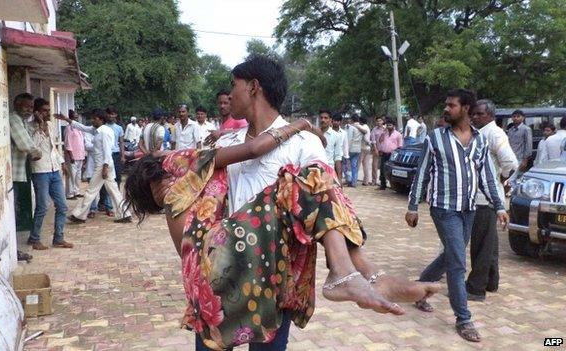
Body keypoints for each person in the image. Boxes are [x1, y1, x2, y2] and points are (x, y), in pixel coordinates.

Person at [125, 55, 439, 351]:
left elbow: (328, 205)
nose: (228, 95)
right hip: (228, 264)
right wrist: (299, 124)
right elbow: (249, 153)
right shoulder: (225, 143)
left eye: (233, 86)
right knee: (306, 181)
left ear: (253, 86)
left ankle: (360, 273)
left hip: (275, 269)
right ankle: (358, 271)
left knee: (315, 181)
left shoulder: (305, 144)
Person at [406, 89, 509, 343]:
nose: (446, 109)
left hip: (469, 209)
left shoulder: (481, 141)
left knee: (450, 256)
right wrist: (412, 206)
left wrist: (499, 205)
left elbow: (486, 177)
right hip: (444, 209)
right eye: (446, 105)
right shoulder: (435, 138)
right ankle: (463, 318)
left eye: (451, 105)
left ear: (465, 109)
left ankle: (419, 289)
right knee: (457, 262)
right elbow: (422, 174)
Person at [466, 99, 518, 301]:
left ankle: (476, 287)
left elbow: (511, 162)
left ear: (490, 115)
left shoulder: (493, 133)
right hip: (484, 197)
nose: (475, 117)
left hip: (485, 198)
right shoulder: (480, 133)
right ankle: (490, 281)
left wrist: (502, 178)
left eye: (480, 114)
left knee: (481, 245)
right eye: (474, 114)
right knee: (490, 244)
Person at [56, 109, 132, 223]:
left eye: (94, 118)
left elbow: (107, 150)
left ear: (101, 119)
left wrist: (105, 167)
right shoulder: (97, 130)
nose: (92, 120)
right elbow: (82, 127)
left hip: (103, 165)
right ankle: (124, 214)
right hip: (104, 164)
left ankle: (79, 215)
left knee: (91, 190)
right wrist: (67, 119)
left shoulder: (103, 132)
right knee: (114, 191)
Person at [26, 98, 73, 250]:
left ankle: (58, 238)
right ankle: (34, 238)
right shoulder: (30, 127)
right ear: (37, 112)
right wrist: (40, 127)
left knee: (62, 205)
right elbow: (33, 147)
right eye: (44, 110)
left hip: (54, 170)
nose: (47, 113)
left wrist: (62, 163)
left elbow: (53, 147)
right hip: (40, 170)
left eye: (48, 110)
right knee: (42, 206)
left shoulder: (51, 126)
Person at [9, 93, 42, 262]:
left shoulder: (22, 121)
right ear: (16, 104)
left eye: (31, 107)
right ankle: (13, 251)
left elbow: (29, 132)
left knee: (15, 212)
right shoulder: (14, 119)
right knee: (12, 214)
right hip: (14, 174)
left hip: (20, 172)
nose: (29, 110)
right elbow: (24, 143)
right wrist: (37, 152)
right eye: (26, 106)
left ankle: (14, 251)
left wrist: (38, 122)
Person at [64, 110, 86, 199]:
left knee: (77, 175)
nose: (76, 119)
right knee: (71, 175)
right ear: (70, 118)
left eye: (77, 117)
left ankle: (76, 191)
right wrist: (71, 155)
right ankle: (70, 194)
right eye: (74, 117)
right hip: (72, 156)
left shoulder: (79, 128)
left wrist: (84, 155)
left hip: (80, 155)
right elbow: (67, 143)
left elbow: (82, 142)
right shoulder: (68, 128)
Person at [377, 119, 403, 190]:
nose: (388, 126)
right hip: (384, 154)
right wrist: (383, 133)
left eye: (390, 125)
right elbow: (380, 141)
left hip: (393, 155)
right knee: (382, 169)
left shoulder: (398, 134)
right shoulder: (385, 133)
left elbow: (400, 146)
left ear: (393, 126)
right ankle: (383, 185)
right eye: (387, 125)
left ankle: (393, 185)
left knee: (391, 170)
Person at [321, 111, 344, 180]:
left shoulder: (336, 136)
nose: (323, 120)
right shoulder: (314, 134)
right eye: (321, 118)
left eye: (325, 118)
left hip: (329, 170)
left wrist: (339, 178)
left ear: (330, 120)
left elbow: (337, 156)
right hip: (315, 169)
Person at [346, 114, 363, 187]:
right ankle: (354, 182)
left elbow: (349, 139)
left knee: (348, 166)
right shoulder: (361, 128)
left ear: (352, 120)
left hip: (351, 149)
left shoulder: (351, 127)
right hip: (358, 149)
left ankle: (349, 180)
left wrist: (347, 150)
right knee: (354, 166)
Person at [355, 117, 372, 186]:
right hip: (367, 148)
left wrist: (356, 125)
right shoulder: (367, 126)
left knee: (357, 165)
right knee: (366, 165)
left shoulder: (364, 127)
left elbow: (365, 137)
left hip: (362, 148)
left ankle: (354, 180)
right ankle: (366, 181)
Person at [370, 116, 385, 187]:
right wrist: (375, 149)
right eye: (377, 121)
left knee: (383, 166)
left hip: (384, 150)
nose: (379, 122)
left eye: (380, 121)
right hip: (376, 150)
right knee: (374, 166)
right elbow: (373, 141)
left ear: (383, 121)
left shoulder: (385, 129)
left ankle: (383, 181)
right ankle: (374, 181)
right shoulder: (374, 130)